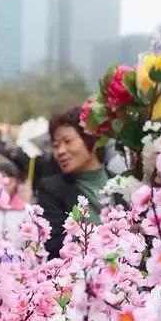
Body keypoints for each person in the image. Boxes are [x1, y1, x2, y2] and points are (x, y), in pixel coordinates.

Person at [37, 106, 110, 258]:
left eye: (67, 141)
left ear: (91, 138)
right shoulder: (51, 190)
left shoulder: (122, 183)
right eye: (56, 145)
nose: (60, 151)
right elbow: (54, 244)